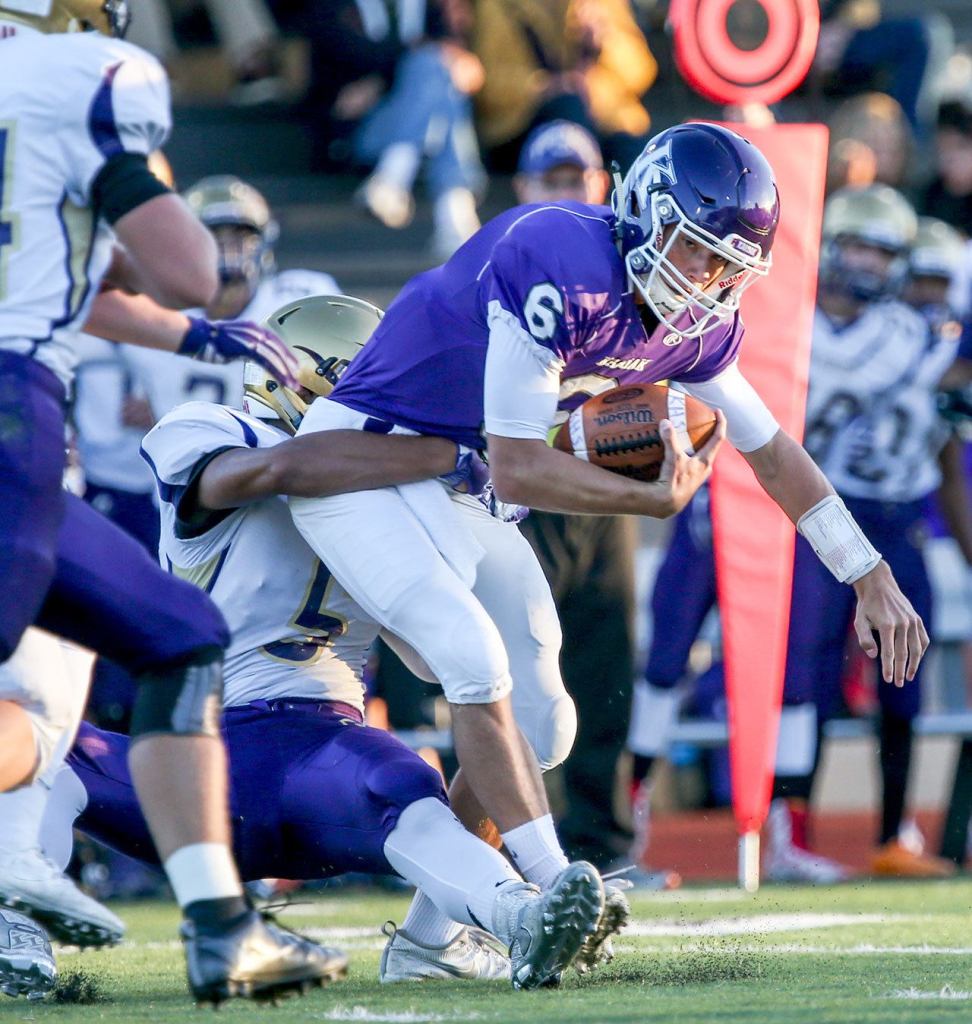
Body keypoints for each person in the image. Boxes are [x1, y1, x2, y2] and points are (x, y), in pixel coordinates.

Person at [284, 122, 926, 956]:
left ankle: (428, 943)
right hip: (364, 463)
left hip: (459, 482)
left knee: (545, 722)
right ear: (649, 212)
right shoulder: (557, 256)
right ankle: (555, 887)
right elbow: (519, 467)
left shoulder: (693, 323)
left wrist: (868, 573)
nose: (709, 281)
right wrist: (649, 501)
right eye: (697, 251)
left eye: (728, 267)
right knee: (474, 660)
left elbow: (772, 451)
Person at [44, 294, 607, 990]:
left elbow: (431, 658)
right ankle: (16, 928)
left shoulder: (394, 492)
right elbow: (267, 473)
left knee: (411, 787)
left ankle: (506, 917)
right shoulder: (215, 429)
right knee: (37, 747)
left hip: (324, 753)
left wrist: (465, 502)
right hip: (193, 757)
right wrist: (440, 454)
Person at [0, 0, 341, 1003]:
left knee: (178, 634)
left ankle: (221, 925)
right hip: (13, 408)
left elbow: (69, 270)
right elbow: (189, 268)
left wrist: (196, 339)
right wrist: (184, 277)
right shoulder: (82, 84)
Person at [509, 120, 638, 871]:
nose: (566, 192)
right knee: (519, 673)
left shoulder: (620, 266)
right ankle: (517, 842)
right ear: (524, 188)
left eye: (576, 178)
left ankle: (603, 843)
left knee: (603, 671)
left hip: (605, 485)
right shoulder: (507, 261)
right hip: (523, 493)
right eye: (552, 179)